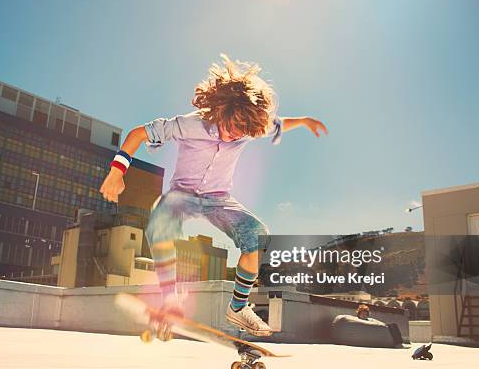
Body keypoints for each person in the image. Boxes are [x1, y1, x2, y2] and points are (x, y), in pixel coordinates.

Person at [100, 54, 327, 336]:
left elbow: (277, 123)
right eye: (231, 128)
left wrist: (304, 121)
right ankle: (169, 297)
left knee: (258, 236)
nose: (234, 136)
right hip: (182, 194)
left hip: (218, 198)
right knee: (160, 223)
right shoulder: (188, 124)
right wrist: (117, 172)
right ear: (222, 110)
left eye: (242, 132)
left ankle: (238, 308)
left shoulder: (247, 127)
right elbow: (138, 134)